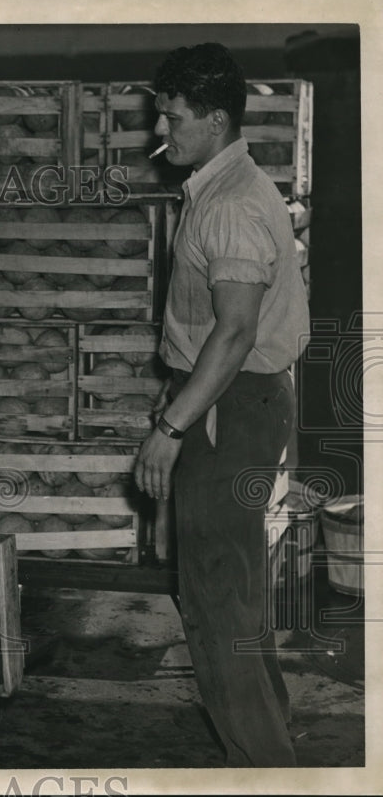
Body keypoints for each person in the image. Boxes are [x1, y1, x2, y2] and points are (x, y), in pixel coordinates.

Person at [133, 43, 310, 767]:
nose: (160, 129)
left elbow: (234, 332)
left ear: (213, 118)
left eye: (172, 117)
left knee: (212, 596)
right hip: (234, 401)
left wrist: (171, 427)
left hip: (225, 410)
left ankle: (264, 768)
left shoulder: (231, 204)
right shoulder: (223, 181)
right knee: (235, 588)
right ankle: (273, 733)